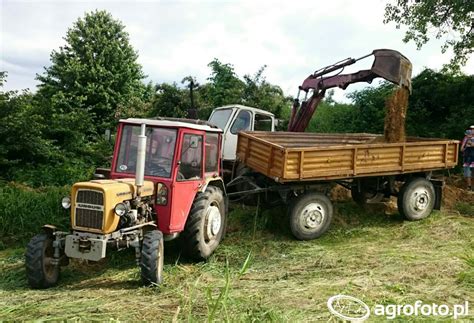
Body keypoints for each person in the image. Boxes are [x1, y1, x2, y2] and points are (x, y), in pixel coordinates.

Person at [461, 126, 474, 191]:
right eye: (471, 129)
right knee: (467, 173)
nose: (472, 130)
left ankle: (471, 187)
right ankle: (469, 187)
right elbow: (461, 149)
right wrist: (466, 147)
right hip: (467, 158)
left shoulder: (467, 139)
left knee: (470, 173)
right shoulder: (465, 139)